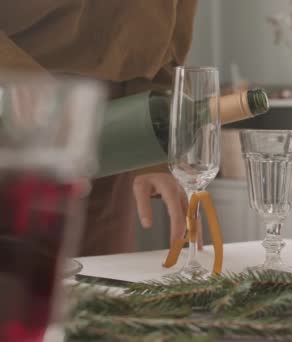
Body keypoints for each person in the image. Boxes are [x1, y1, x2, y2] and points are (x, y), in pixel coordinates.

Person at [0, 0, 199, 255]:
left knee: (99, 278)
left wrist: (153, 147)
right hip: (14, 107)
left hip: (113, 127)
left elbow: (165, 35)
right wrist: (29, 83)